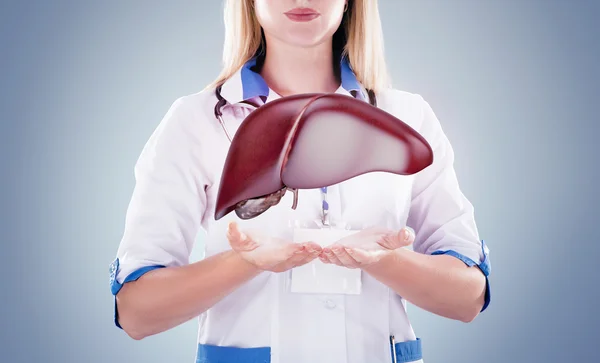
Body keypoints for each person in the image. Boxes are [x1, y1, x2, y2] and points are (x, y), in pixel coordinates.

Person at [108, 1, 491, 362]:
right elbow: (137, 313)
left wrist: (386, 260)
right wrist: (245, 262)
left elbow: (467, 296)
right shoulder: (196, 121)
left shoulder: (408, 117)